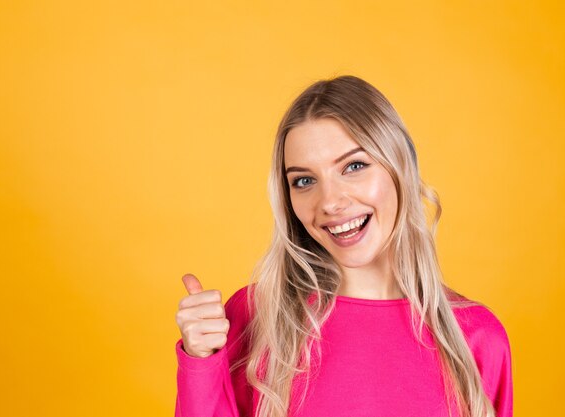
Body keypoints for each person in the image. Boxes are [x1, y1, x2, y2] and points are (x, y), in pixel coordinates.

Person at [174, 75, 513, 417]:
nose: (330, 202)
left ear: (399, 168)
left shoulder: (477, 337)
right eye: (304, 181)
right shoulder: (257, 317)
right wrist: (200, 364)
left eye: (354, 166)